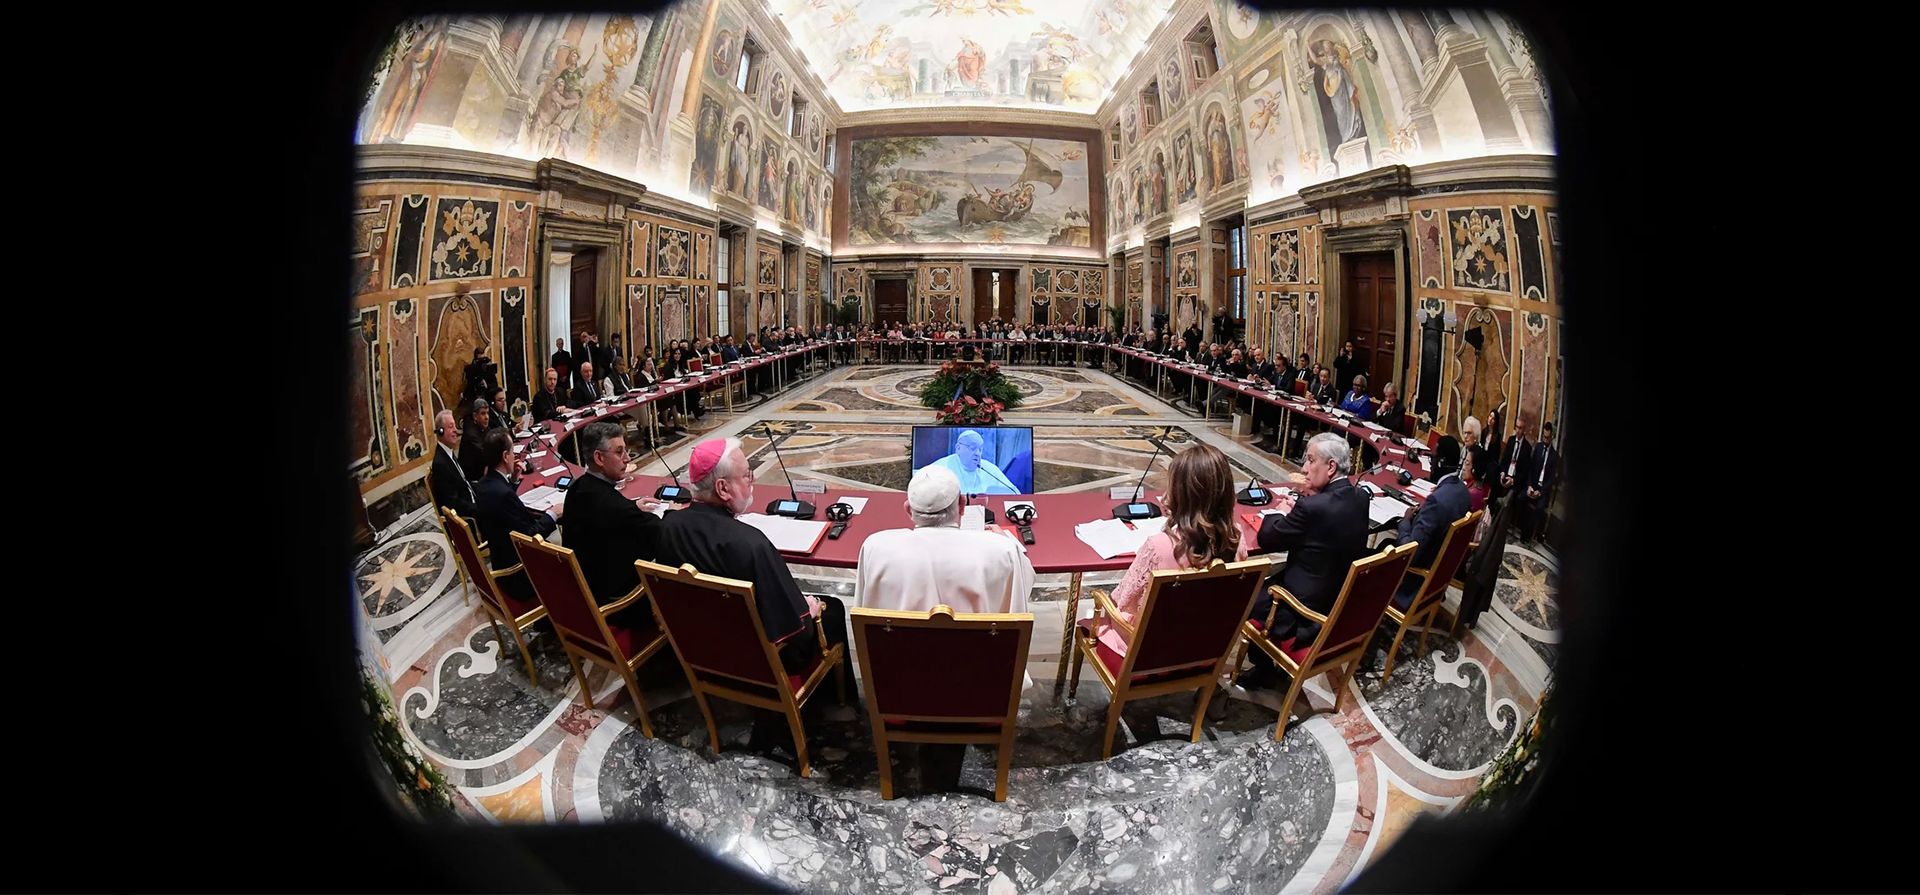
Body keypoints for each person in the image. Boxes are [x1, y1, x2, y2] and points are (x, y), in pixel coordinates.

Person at [655, 437, 848, 679]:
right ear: (723, 488)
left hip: (701, 647)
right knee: (831, 610)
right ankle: (834, 709)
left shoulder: (668, 525)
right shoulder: (751, 544)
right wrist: (808, 614)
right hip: (761, 659)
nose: (753, 479)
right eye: (746, 475)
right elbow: (794, 629)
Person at [1095, 443, 1248, 659]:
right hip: (1203, 646)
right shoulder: (1237, 537)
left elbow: (1122, 600)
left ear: (1180, 493)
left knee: (1101, 612)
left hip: (1151, 652)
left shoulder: (1158, 547)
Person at [1244, 432, 1369, 688]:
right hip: (1337, 599)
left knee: (1245, 594)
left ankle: (1263, 667)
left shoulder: (1312, 508)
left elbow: (1269, 538)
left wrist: (1282, 511)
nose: (1304, 468)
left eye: (1311, 460)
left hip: (1302, 611)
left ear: (1331, 467)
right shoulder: (1361, 497)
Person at [855, 464, 1035, 617]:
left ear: (909, 510)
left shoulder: (875, 547)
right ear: (963, 505)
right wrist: (1008, 543)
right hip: (978, 656)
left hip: (899, 656)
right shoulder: (1002, 551)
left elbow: (864, 611)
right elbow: (1022, 586)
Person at [558, 421, 664, 605]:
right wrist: (672, 512)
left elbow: (607, 514)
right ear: (599, 458)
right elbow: (658, 531)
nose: (627, 458)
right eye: (619, 452)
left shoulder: (578, 487)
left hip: (586, 592)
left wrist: (632, 506)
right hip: (621, 602)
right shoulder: (616, 508)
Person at [472, 428, 562, 602]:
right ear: (506, 456)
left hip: (501, 557)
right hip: (520, 573)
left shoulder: (483, 484)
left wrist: (513, 480)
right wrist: (553, 514)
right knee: (560, 542)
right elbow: (528, 537)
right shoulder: (502, 494)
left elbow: (501, 505)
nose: (515, 456)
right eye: (513, 452)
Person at [1379, 436, 1470, 608]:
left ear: (1441, 462)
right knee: (1384, 543)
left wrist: (1405, 522)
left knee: (1377, 553)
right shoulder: (1462, 491)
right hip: (1437, 575)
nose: (1431, 463)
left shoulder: (1436, 501)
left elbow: (1410, 554)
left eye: (1432, 458)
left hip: (1414, 584)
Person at [927, 429, 1018, 494]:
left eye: (980, 449)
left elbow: (1014, 493)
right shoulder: (941, 467)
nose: (977, 453)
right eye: (973, 448)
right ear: (958, 448)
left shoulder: (989, 469)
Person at [429, 408, 477, 524]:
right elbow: (453, 503)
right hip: (469, 518)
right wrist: (479, 508)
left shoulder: (448, 453)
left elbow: (463, 482)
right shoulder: (441, 464)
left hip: (471, 500)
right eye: (451, 427)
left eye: (455, 426)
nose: (456, 430)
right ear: (440, 431)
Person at [1516, 421, 1557, 543]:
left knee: (1539, 509)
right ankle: (1522, 527)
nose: (1545, 439)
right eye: (1544, 436)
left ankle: (1527, 535)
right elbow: (1530, 468)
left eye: (1548, 437)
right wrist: (1529, 486)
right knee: (1519, 498)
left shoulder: (1554, 456)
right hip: (1532, 486)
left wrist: (1541, 492)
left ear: (1552, 437)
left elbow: (1551, 480)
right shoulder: (1538, 448)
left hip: (1542, 491)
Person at [1493, 418, 1530, 502]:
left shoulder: (1527, 448)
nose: (1518, 430)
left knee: (1510, 498)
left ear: (1524, 430)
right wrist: (1502, 473)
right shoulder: (1511, 440)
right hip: (1506, 474)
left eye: (1520, 428)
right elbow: (1504, 459)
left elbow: (1524, 472)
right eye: (1516, 427)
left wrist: (1513, 480)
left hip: (1515, 479)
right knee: (1494, 482)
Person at [459, 398, 493, 480]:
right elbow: (485, 454)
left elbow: (494, 438)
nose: (487, 417)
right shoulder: (470, 434)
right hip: (474, 480)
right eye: (483, 414)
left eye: (487, 413)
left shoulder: (483, 427)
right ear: (475, 416)